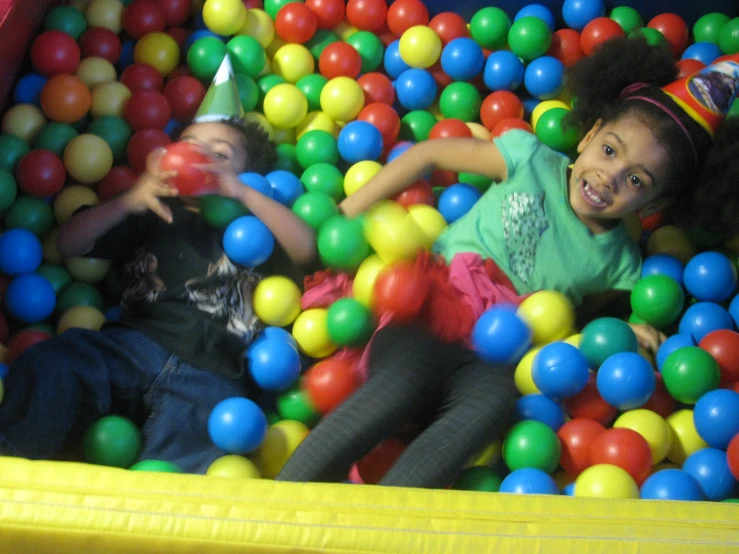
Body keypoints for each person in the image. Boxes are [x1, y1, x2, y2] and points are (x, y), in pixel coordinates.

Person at [276, 38, 739, 489]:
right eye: (610, 151)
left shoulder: (620, 261)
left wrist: (634, 332)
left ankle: (382, 533)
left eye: (636, 179)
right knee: (401, 382)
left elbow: (594, 322)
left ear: (657, 200)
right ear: (590, 135)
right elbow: (429, 152)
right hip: (432, 309)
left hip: (501, 352)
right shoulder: (530, 158)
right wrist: (348, 210)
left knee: (488, 410)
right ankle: (279, 508)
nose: (608, 177)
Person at [0, 57, 317, 473]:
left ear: (249, 176)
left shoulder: (257, 226)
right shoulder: (152, 209)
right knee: (56, 362)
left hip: (213, 371)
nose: (200, 158)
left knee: (200, 445)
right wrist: (132, 199)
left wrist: (244, 194)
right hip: (131, 346)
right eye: (190, 146)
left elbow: (307, 250)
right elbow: (71, 241)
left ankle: (148, 530)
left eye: (220, 154)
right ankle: (13, 468)